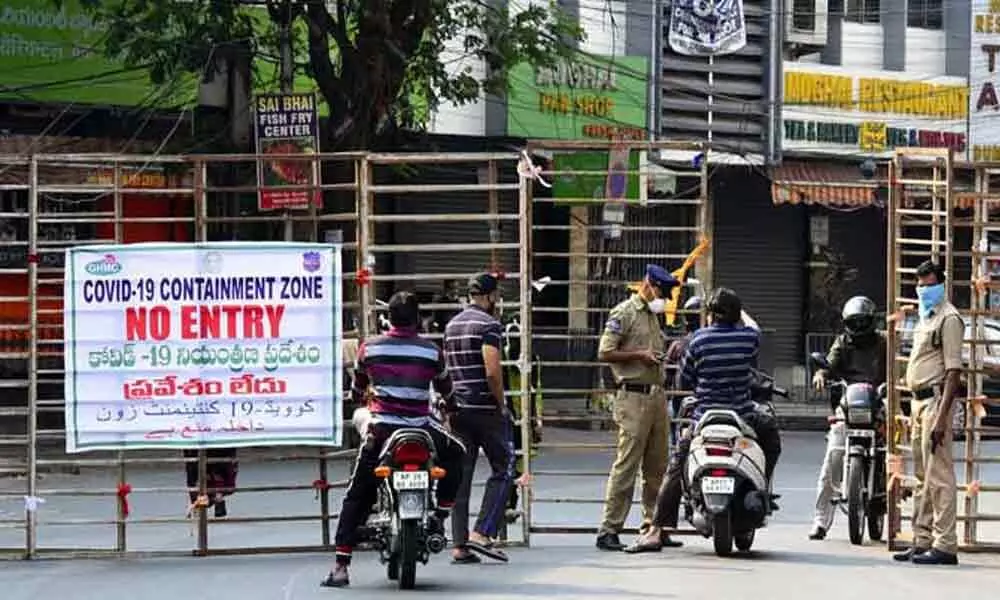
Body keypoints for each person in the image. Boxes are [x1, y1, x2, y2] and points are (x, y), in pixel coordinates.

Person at [322, 291, 467, 588]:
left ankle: (340, 566)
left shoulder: (369, 350)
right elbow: (447, 390)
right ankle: (440, 514)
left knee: (359, 491)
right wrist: (452, 407)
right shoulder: (431, 352)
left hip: (383, 430)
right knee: (458, 453)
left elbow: (357, 389)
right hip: (422, 429)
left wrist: (361, 397)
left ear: (388, 317)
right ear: (418, 319)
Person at [627, 287, 782, 553]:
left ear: (710, 315)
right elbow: (754, 328)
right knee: (772, 440)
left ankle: (655, 530)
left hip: (704, 418)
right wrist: (740, 313)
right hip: (742, 414)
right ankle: (762, 489)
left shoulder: (697, 341)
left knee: (676, 465)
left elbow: (685, 381)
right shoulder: (747, 338)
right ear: (736, 314)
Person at [595, 264, 681, 552]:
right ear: (649, 285)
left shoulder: (653, 317)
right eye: (661, 292)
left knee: (658, 466)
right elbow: (605, 351)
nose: (664, 298)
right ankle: (609, 528)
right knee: (627, 465)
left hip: (656, 396)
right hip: (632, 397)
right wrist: (639, 356)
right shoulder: (624, 313)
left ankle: (654, 526)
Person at [891, 260, 961, 566]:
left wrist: (941, 418)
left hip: (936, 403)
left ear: (941, 285)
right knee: (922, 476)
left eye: (929, 284)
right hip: (918, 403)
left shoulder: (949, 319)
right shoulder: (924, 317)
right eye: (919, 285)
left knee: (940, 477)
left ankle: (945, 544)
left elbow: (953, 373)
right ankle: (922, 540)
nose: (923, 290)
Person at [444, 273, 515, 564]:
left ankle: (459, 545)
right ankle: (482, 533)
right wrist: (501, 404)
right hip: (484, 409)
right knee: (505, 466)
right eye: (496, 295)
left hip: (458, 409)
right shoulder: (489, 325)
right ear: (490, 296)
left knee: (462, 476)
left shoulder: (452, 325)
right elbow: (492, 371)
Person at [808, 295, 887, 541]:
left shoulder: (884, 342)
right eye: (856, 323)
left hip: (878, 402)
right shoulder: (842, 342)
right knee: (833, 457)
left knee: (892, 454)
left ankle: (887, 500)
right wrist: (821, 373)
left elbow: (898, 366)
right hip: (849, 404)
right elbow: (828, 363)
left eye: (864, 322)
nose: (860, 327)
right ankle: (820, 521)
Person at [184, 448, 237, 518]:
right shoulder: (228, 487)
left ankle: (197, 510)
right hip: (217, 456)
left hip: (204, 461)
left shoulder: (227, 487)